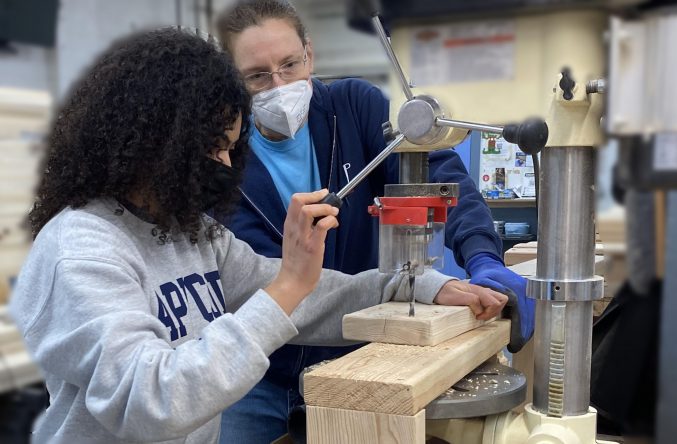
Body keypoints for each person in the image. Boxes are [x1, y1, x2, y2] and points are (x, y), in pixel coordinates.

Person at [8, 28, 508, 443]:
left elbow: (317, 298)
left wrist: (422, 287)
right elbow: (155, 398)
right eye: (212, 147)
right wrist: (287, 285)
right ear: (153, 143)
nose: (226, 165)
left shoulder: (193, 235)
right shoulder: (81, 250)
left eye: (231, 147)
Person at [215, 0, 535, 442]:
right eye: (257, 76)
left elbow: (443, 176)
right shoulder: (222, 159)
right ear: (233, 81)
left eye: (290, 64)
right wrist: (415, 285)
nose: (279, 84)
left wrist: (483, 257)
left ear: (310, 54)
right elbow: (266, 283)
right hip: (259, 372)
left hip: (363, 358)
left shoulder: (355, 106)